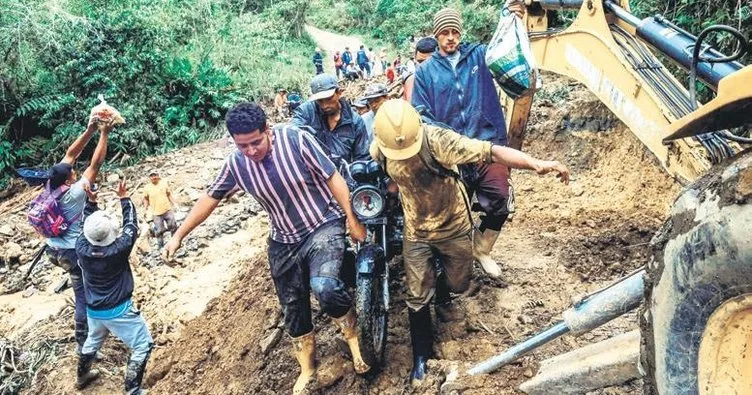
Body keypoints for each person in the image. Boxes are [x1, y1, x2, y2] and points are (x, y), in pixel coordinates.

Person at [163, 102, 370, 394]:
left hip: (322, 222)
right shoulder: (237, 163)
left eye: (255, 143)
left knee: (324, 286)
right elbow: (211, 198)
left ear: (268, 131)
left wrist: (351, 218)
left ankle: (354, 341)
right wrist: (178, 236)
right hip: (283, 238)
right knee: (292, 305)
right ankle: (308, 366)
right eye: (242, 145)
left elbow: (332, 177)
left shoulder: (296, 140)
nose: (250, 151)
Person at [370, 100, 569, 386]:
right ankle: (421, 358)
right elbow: (388, 175)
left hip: (453, 226)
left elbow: (490, 151)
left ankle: (442, 291)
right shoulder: (380, 148)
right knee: (416, 296)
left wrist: (535, 163)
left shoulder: (437, 140)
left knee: (458, 284)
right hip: (417, 231)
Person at [412, 6, 524, 278]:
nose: (450, 38)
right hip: (451, 153)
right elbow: (420, 112)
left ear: (460, 33)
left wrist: (509, 14)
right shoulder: (426, 72)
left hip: (487, 143)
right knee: (452, 213)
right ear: (436, 36)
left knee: (501, 198)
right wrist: (446, 139)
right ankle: (454, 262)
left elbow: (504, 43)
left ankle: (482, 248)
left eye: (454, 32)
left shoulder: (480, 56)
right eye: (444, 33)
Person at [43, 112, 113, 353]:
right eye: (72, 173)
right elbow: (95, 164)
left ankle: (98, 326)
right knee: (83, 294)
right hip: (71, 253)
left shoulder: (51, 183)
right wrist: (104, 134)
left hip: (52, 248)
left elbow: (71, 155)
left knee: (84, 286)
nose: (74, 171)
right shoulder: (74, 193)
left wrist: (90, 129)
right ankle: (84, 345)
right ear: (70, 178)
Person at [75, 180, 152, 394]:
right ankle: (133, 390)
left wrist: (91, 201)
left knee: (93, 340)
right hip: (119, 310)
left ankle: (82, 376)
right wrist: (125, 198)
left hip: (94, 309)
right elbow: (131, 226)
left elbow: (84, 224)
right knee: (143, 345)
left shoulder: (80, 246)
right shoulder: (118, 250)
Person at [291, 74, 370, 163]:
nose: (324, 105)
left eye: (328, 99)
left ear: (339, 93)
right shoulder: (305, 112)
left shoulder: (355, 122)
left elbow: (363, 157)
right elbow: (292, 135)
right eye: (320, 100)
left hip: (342, 173)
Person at [142, 171, 177, 248]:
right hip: (156, 213)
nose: (154, 177)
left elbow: (169, 194)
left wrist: (174, 203)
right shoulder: (147, 188)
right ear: (149, 178)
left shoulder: (164, 184)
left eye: (155, 175)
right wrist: (145, 209)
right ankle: (160, 246)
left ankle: (175, 242)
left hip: (167, 210)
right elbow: (146, 199)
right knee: (159, 231)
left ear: (158, 176)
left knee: (173, 226)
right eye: (152, 176)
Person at [403, 37, 438, 102]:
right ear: (415, 60)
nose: (424, 67)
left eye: (430, 62)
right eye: (420, 62)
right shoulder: (410, 82)